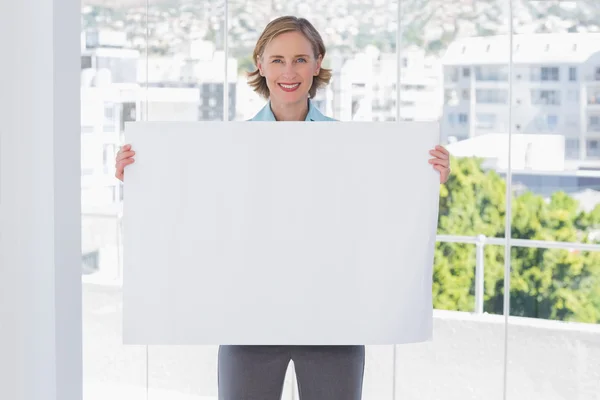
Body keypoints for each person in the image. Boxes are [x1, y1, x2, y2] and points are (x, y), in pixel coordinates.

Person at [115, 15, 451, 400]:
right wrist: (142, 179)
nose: (289, 71)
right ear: (260, 62)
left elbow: (379, 215)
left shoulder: (351, 146)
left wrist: (424, 181)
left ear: (318, 62)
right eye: (277, 60)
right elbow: (194, 208)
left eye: (300, 59)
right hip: (248, 321)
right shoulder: (229, 147)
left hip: (334, 321)